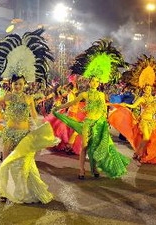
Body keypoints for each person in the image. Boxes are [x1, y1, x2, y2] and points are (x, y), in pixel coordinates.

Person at [0, 28, 59, 204]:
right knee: (6, 162)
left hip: (25, 134)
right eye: (15, 83)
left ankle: (22, 190)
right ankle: (3, 192)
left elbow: (33, 115)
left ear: (25, 84)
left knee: (25, 164)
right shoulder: (7, 96)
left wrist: (39, 127)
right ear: (11, 84)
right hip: (9, 132)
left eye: (20, 84)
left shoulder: (28, 97)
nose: (17, 86)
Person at [53, 39, 130, 179]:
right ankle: (81, 170)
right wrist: (59, 107)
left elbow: (103, 108)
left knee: (96, 148)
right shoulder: (84, 94)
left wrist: (113, 112)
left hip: (99, 123)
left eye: (96, 81)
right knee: (85, 146)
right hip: (88, 123)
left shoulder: (101, 95)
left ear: (99, 82)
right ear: (89, 81)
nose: (94, 83)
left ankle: (94, 169)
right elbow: (70, 104)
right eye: (92, 80)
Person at [109, 55, 156, 165]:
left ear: (151, 89)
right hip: (144, 121)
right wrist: (124, 105)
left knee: (152, 138)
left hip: (151, 122)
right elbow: (133, 106)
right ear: (143, 89)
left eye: (149, 88)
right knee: (146, 138)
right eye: (146, 88)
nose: (148, 90)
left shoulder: (154, 98)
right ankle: (138, 153)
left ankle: (140, 154)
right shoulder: (142, 98)